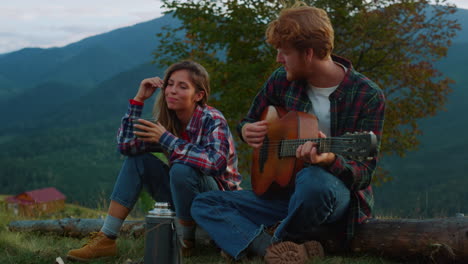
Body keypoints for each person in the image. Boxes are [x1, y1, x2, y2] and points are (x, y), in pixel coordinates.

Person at [191, 2, 385, 264]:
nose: (278, 59)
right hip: (280, 196)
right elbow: (249, 119)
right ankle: (275, 248)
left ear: (308, 53)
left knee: (313, 179)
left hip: (328, 197)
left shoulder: (367, 95)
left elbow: (364, 172)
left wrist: (329, 159)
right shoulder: (280, 79)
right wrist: (247, 130)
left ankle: (262, 242)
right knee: (204, 203)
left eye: (284, 53)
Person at [66, 60, 242, 262]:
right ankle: (107, 237)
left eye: (182, 86)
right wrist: (139, 99)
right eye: (170, 84)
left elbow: (215, 163)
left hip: (217, 202)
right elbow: (126, 146)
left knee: (182, 168)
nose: (172, 91)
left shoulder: (212, 118)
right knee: (138, 160)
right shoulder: (169, 121)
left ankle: (185, 243)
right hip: (182, 199)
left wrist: (167, 139)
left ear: (199, 95)